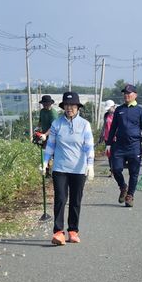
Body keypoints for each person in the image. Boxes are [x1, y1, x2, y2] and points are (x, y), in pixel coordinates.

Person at [42, 92, 95, 246]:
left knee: (75, 200)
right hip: (60, 168)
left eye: (72, 105)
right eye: (67, 105)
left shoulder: (84, 124)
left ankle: (73, 230)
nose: (69, 108)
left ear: (78, 107)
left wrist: (90, 165)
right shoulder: (57, 124)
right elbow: (51, 145)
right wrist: (46, 162)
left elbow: (89, 146)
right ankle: (58, 232)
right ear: (63, 107)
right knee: (60, 199)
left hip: (79, 169)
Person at [106, 84, 142, 208]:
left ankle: (130, 195)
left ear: (135, 95)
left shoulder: (140, 110)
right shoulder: (119, 109)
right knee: (116, 169)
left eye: (129, 93)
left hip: (134, 145)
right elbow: (113, 127)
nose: (126, 95)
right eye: (125, 93)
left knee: (134, 173)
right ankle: (123, 187)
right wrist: (108, 144)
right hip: (119, 145)